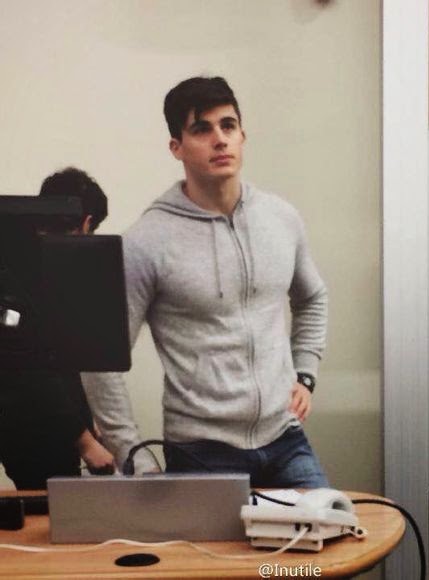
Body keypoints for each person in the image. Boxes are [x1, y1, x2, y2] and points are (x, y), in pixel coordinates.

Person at [84, 76, 329, 488]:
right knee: (221, 540)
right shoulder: (146, 241)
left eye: (228, 126)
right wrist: (133, 457)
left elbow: (313, 297)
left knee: (325, 530)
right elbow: (99, 361)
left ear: (242, 136)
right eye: (201, 129)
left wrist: (305, 373)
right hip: (202, 450)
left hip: (284, 437)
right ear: (176, 147)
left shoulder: (281, 219)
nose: (219, 139)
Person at [0, 168, 115, 490]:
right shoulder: (32, 279)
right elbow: (32, 365)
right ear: (86, 223)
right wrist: (86, 443)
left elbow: (61, 363)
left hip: (37, 426)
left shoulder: (20, 264)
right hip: (33, 429)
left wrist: (86, 424)